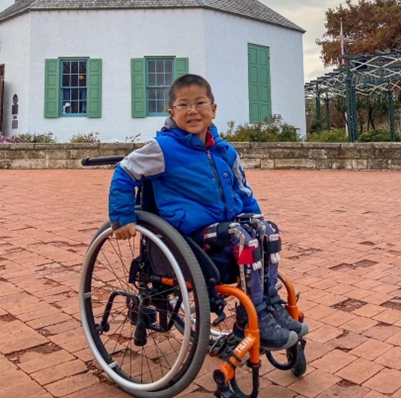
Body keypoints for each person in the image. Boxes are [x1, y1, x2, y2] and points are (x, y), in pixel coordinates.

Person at [109, 73, 308, 351]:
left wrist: (257, 220)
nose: (192, 111)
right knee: (242, 236)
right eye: (183, 105)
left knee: (268, 230)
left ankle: (270, 305)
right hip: (191, 232)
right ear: (171, 113)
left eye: (200, 103)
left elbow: (243, 192)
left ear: (213, 109)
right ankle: (253, 316)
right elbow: (125, 172)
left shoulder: (225, 151)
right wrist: (122, 217)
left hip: (224, 226)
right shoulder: (163, 148)